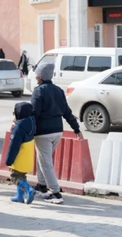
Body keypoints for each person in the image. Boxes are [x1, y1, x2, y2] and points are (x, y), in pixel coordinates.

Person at [30, 63, 83, 204]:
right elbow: (67, 111)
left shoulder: (38, 91)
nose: (35, 76)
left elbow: (34, 113)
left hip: (43, 133)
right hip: (57, 131)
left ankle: (55, 193)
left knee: (45, 162)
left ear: (39, 76)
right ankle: (41, 186)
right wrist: (76, 128)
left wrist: (26, 129)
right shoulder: (58, 91)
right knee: (43, 159)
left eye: (36, 74)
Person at [6, 102, 36, 204]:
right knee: (22, 176)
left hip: (19, 157)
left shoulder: (18, 128)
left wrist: (9, 160)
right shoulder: (31, 123)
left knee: (15, 177)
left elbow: (13, 146)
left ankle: (29, 189)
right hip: (27, 157)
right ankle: (19, 196)